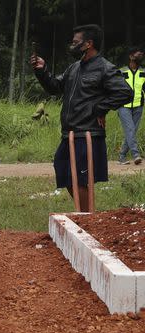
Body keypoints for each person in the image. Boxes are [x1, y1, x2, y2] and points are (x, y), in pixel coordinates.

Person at [31, 25, 132, 212]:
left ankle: (87, 220)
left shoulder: (105, 68)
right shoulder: (74, 68)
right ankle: (84, 214)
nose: (72, 45)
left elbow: (125, 93)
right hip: (68, 133)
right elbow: (55, 87)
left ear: (88, 44)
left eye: (76, 42)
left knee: (80, 178)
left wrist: (100, 109)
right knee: (65, 174)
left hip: (88, 133)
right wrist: (42, 70)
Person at [117, 46, 144, 165]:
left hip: (139, 106)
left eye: (141, 55)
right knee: (130, 129)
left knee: (131, 131)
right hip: (123, 106)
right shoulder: (122, 71)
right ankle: (135, 154)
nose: (140, 56)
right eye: (137, 54)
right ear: (130, 57)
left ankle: (122, 156)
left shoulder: (143, 72)